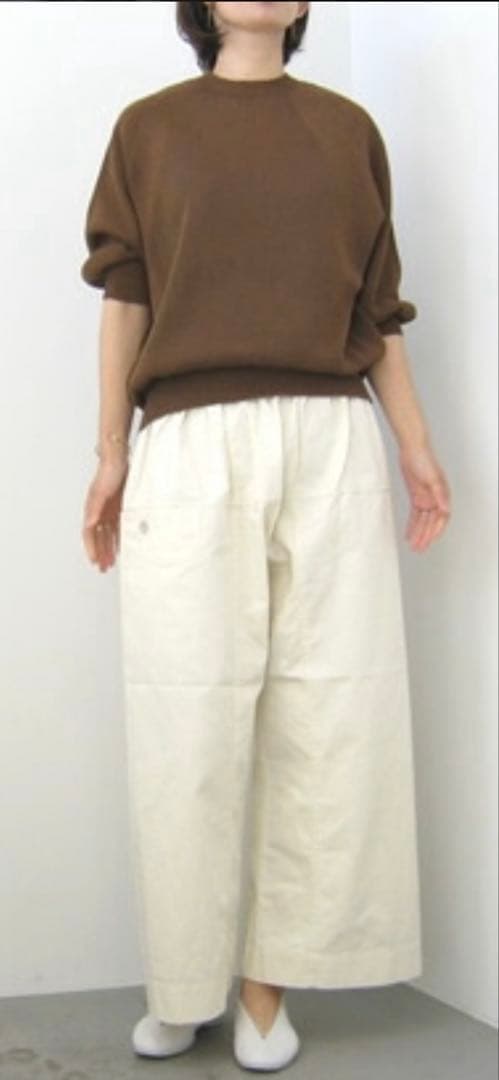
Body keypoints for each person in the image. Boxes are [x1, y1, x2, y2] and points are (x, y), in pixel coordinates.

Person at [80, 1, 452, 1072]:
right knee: (184, 717)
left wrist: (415, 446)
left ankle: (262, 990)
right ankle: (182, 981)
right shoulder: (149, 128)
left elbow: (375, 314)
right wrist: (110, 452)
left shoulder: (346, 131)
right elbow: (125, 297)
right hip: (188, 438)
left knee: (328, 714)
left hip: (329, 435)